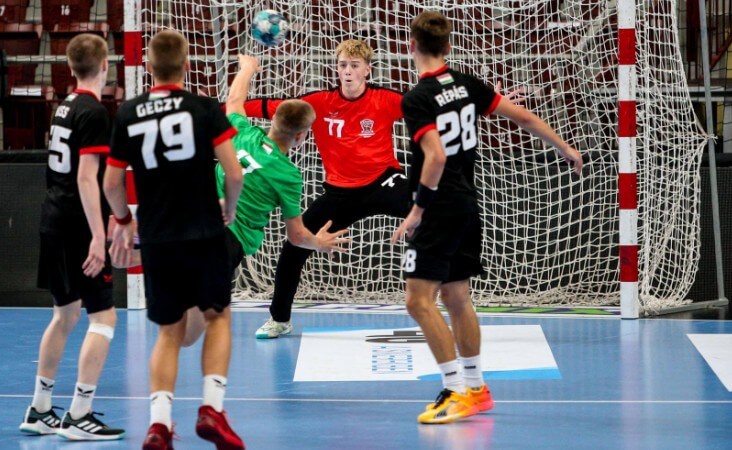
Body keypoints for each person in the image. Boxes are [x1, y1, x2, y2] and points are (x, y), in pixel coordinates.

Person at [243, 39, 522, 339]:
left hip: (384, 181)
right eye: (342, 65)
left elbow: (436, 109)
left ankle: (455, 298)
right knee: (294, 248)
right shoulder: (319, 102)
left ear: (367, 70)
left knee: (436, 215)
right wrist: (220, 111)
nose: (347, 71)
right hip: (340, 193)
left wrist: (487, 105)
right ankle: (280, 319)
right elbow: (268, 107)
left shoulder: (385, 99)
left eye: (354, 65)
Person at [392, 11, 583, 424]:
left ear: (412, 46)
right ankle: (476, 389)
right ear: (448, 47)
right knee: (456, 296)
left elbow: (435, 156)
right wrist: (565, 148)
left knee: (418, 301)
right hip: (467, 202)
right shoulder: (467, 84)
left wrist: (417, 210)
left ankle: (455, 389)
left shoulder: (417, 98)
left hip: (440, 208)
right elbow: (524, 117)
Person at [102, 30, 245, 450]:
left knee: (169, 332)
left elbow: (112, 182)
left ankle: (159, 424)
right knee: (218, 317)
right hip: (203, 230)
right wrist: (230, 208)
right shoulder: (204, 108)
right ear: (186, 65)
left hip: (158, 236)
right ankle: (212, 408)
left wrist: (123, 219)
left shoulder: (128, 113)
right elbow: (234, 173)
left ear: (149, 67)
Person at [181, 54, 350, 347]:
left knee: (182, 300)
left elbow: (234, 100)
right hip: (227, 241)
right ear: (300, 137)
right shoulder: (288, 175)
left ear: (273, 121)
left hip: (193, 221)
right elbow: (296, 236)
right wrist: (319, 243)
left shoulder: (243, 133)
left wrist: (247, 67)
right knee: (196, 328)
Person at [19, 34, 125, 441]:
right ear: (105, 66)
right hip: (77, 225)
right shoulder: (94, 112)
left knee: (64, 315)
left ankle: (40, 408)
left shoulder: (64, 106)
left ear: (69, 66)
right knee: (104, 317)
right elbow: (85, 177)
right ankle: (80, 413)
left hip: (53, 217)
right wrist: (99, 235)